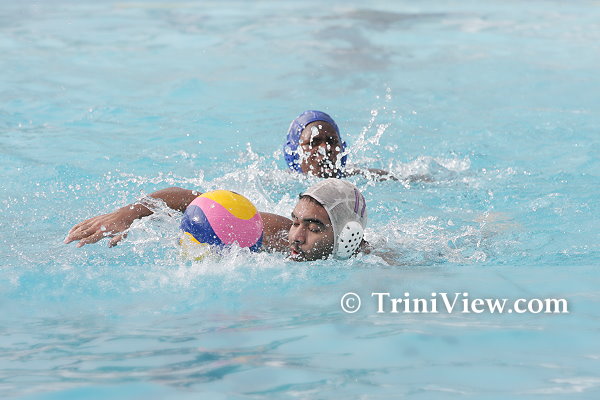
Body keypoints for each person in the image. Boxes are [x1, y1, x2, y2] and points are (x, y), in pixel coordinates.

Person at [65, 179, 368, 261]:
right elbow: (193, 199)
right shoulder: (275, 234)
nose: (296, 237)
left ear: (347, 236)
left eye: (313, 228)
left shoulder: (371, 262)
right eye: (295, 222)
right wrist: (126, 215)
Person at [284, 110, 397, 180]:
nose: (325, 148)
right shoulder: (283, 184)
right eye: (313, 143)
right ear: (294, 152)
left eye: (332, 142)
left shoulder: (366, 177)